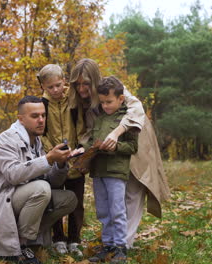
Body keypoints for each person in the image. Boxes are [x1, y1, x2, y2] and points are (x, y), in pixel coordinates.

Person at [68, 58, 170, 249]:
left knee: (133, 189)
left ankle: (124, 243)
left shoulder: (112, 88)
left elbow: (136, 108)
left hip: (133, 136)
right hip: (107, 151)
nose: (81, 88)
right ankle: (115, 241)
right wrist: (84, 148)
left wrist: (116, 133)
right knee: (114, 198)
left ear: (94, 80)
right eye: (77, 84)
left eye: (86, 83)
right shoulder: (81, 100)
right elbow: (89, 130)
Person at [0, 96, 78, 264]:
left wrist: (61, 164)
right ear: (21, 119)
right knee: (41, 189)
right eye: (35, 116)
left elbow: (52, 182)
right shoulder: (6, 139)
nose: (41, 120)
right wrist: (48, 159)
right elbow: (13, 175)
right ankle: (17, 247)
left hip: (20, 197)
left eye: (43, 115)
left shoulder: (36, 142)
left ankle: (27, 240)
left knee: (69, 198)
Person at [80, 76, 139, 263]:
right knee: (103, 210)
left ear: (120, 99)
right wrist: (83, 150)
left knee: (117, 209)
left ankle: (121, 247)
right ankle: (107, 245)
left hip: (116, 172)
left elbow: (132, 147)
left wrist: (115, 147)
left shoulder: (126, 120)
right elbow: (91, 141)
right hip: (98, 172)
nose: (105, 105)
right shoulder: (99, 119)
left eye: (109, 102)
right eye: (103, 102)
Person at [37, 64, 86, 257]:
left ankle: (74, 239)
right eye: (50, 87)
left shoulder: (73, 101)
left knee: (77, 201)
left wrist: (80, 149)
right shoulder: (43, 105)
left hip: (75, 161)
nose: (55, 90)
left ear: (64, 81)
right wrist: (52, 152)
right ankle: (58, 238)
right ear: (43, 87)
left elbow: (82, 126)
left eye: (58, 85)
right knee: (55, 201)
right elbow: (42, 133)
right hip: (55, 162)